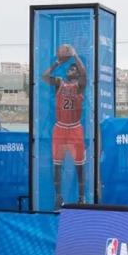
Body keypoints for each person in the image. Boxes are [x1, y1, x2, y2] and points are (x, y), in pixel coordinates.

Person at [42, 44, 87, 209]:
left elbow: (84, 73)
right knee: (57, 164)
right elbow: (44, 76)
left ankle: (81, 197)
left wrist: (75, 55)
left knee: (79, 165)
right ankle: (58, 197)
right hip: (60, 128)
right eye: (69, 69)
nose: (71, 70)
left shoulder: (80, 86)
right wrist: (57, 63)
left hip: (75, 128)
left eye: (74, 69)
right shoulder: (59, 83)